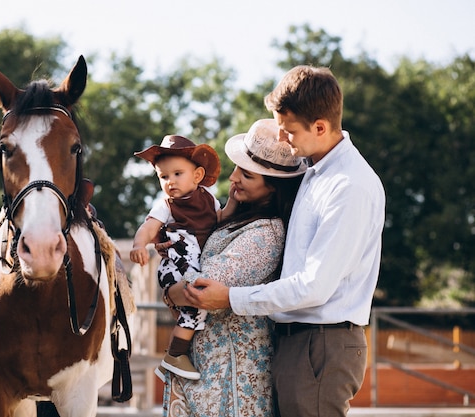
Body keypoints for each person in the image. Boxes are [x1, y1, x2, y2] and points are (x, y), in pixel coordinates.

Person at [183, 65, 386, 417]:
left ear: (320, 127)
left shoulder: (348, 186)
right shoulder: (314, 170)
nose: (281, 137)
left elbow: (313, 287)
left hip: (320, 342)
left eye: (288, 130)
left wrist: (230, 297)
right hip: (297, 340)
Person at [160, 118, 306, 417]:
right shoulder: (230, 219)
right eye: (237, 168)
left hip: (231, 376)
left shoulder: (267, 232)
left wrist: (169, 288)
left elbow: (200, 287)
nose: (234, 177)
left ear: (273, 190)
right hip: (206, 369)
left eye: (248, 176)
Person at [130, 135, 222, 380]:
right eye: (163, 177)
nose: (170, 182)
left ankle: (175, 357)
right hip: (175, 266)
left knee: (195, 309)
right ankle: (174, 355)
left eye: (177, 174)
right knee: (196, 303)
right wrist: (140, 244)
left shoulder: (210, 200)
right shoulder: (167, 206)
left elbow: (221, 221)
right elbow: (149, 228)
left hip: (194, 265)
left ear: (198, 175)